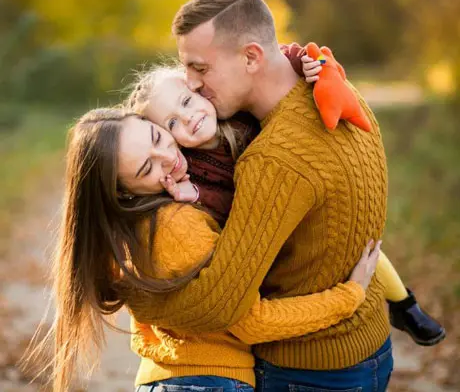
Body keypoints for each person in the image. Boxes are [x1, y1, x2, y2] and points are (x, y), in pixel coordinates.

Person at [117, 0, 397, 392]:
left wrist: (134, 295)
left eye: (201, 68)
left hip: (308, 369)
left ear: (251, 57)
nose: (191, 84)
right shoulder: (332, 88)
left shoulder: (272, 159)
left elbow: (223, 306)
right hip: (369, 345)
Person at [35, 106, 379, 392]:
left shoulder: (126, 228)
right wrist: (347, 297)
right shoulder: (174, 225)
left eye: (157, 138)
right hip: (209, 380)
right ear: (124, 191)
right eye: (147, 168)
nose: (168, 158)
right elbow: (250, 321)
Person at [126, 61, 445, 348]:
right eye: (171, 124)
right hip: (263, 232)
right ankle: (328, 312)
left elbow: (265, 62)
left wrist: (300, 60)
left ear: (198, 90)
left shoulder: (238, 114)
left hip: (297, 202)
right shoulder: (192, 170)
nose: (188, 119)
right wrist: (193, 196)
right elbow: (229, 213)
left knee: (362, 243)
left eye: (186, 102)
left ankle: (405, 305)